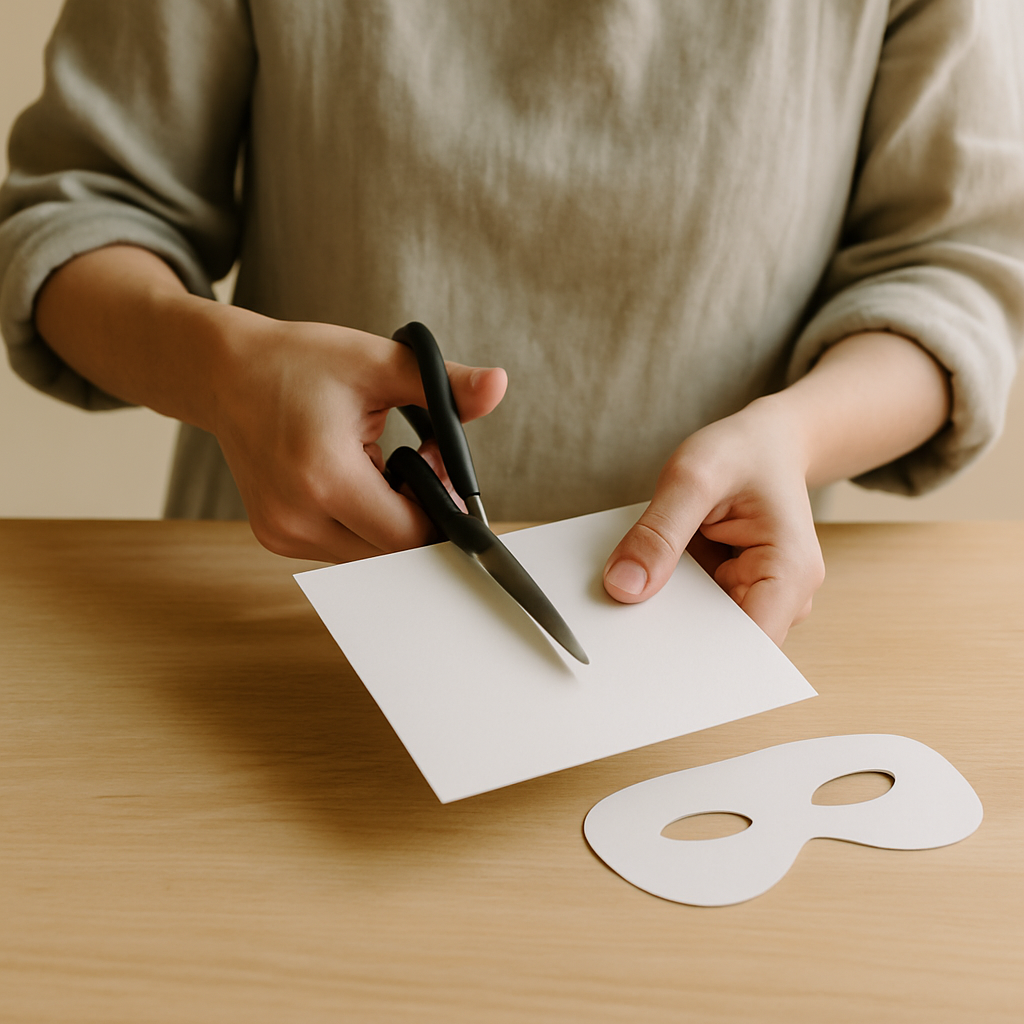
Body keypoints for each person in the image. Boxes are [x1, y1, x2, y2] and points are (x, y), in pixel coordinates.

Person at [2, 0, 1023, 645]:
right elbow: (76, 213)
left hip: (712, 637)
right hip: (279, 628)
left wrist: (797, 436)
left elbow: (952, 274)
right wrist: (227, 369)